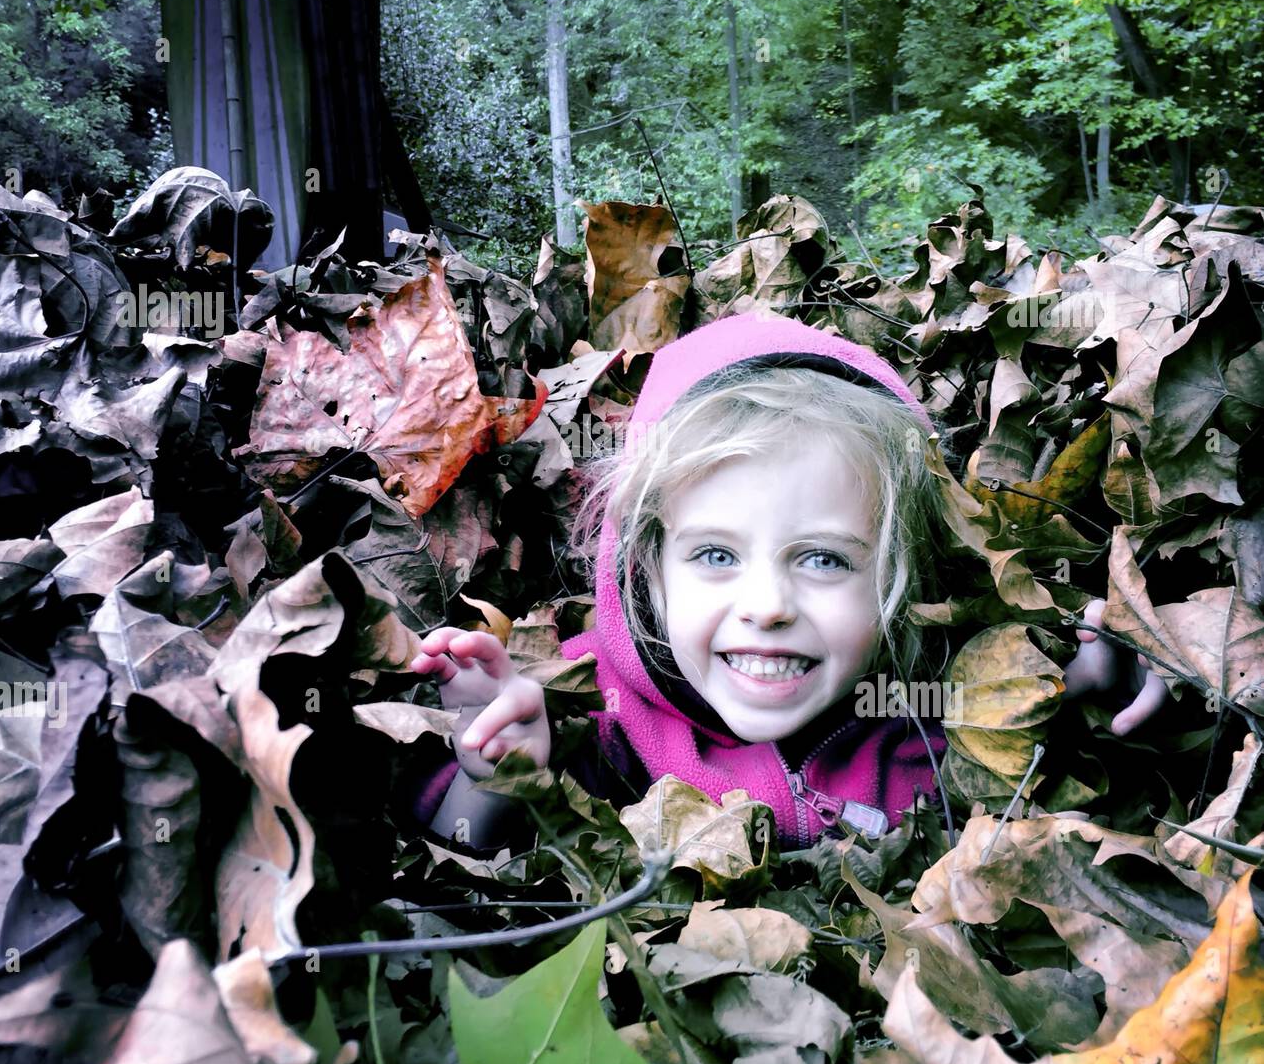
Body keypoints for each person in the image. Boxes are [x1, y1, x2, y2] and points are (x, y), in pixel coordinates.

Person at [408, 311, 1166, 852]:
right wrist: (498, 772)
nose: (766, 607)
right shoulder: (594, 711)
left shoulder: (936, 697)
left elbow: (1043, 686)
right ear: (645, 569)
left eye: (824, 559)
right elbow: (454, 856)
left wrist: (1109, 664)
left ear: (904, 572)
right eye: (714, 556)